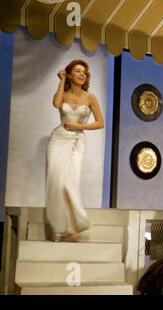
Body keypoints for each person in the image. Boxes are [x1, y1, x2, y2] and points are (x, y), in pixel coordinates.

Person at [46, 59, 104, 242]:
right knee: (56, 182)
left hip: (77, 140)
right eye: (78, 71)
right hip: (58, 139)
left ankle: (73, 226)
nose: (82, 74)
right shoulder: (62, 93)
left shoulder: (90, 97)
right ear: (70, 74)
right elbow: (56, 104)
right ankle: (59, 227)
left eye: (84, 72)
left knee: (69, 181)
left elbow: (100, 123)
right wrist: (62, 80)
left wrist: (80, 126)